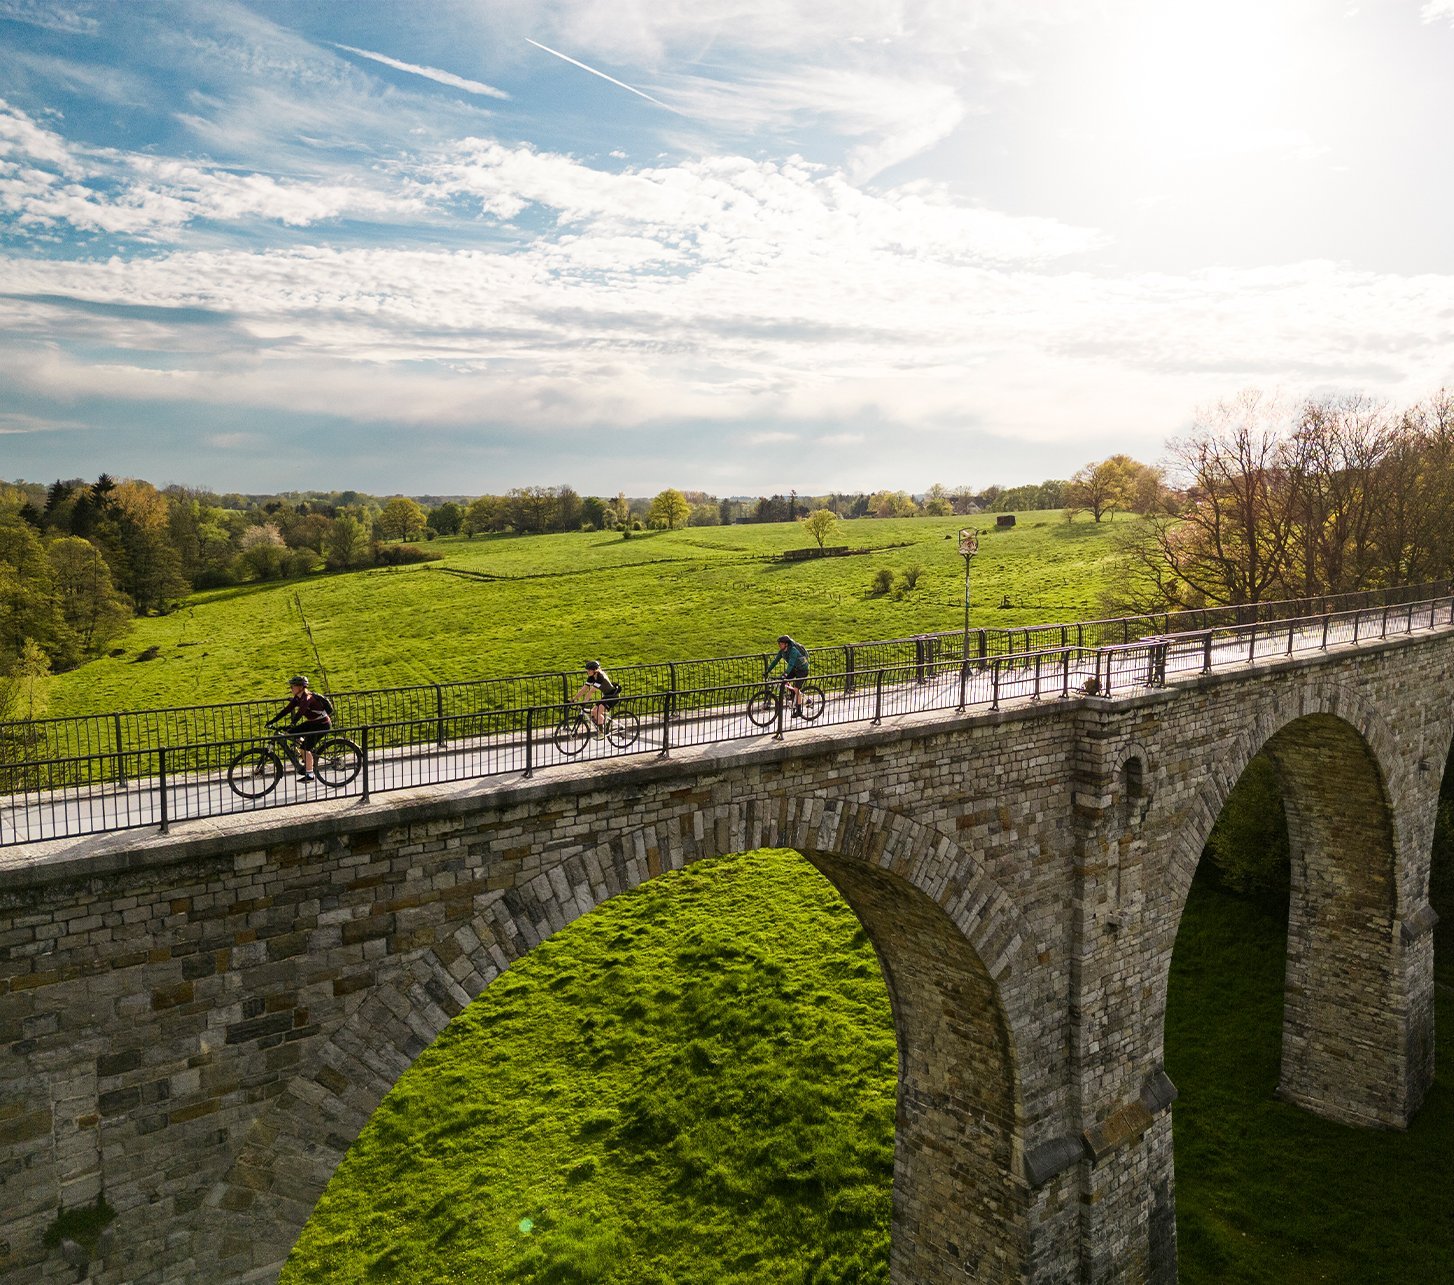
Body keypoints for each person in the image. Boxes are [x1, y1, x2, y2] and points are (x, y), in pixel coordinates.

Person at [266, 674, 333, 780]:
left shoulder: (307, 698)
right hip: (312, 722)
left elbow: (300, 712)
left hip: (322, 725)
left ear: (300, 687)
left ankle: (310, 774)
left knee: (305, 748)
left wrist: (292, 723)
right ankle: (305, 753)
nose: (291, 688)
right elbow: (286, 710)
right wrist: (272, 721)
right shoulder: (298, 698)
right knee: (290, 733)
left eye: (293, 686)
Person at [764, 634, 809, 717]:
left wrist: (785, 674)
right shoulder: (782, 652)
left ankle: (799, 711)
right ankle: (792, 693)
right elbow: (775, 661)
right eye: (779, 644)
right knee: (784, 681)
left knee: (796, 689)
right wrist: (767, 671)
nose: (779, 645)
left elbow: (791, 664)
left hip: (802, 670)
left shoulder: (793, 651)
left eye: (781, 644)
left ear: (786, 644)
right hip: (795, 669)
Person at [574, 661, 622, 735]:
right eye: (587, 670)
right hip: (606, 696)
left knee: (597, 712)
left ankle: (601, 732)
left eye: (589, 670)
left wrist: (584, 703)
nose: (587, 671)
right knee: (593, 711)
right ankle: (602, 723)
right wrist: (573, 699)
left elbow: (591, 691)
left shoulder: (600, 677)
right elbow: (583, 690)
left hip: (613, 696)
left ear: (594, 670)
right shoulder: (592, 677)